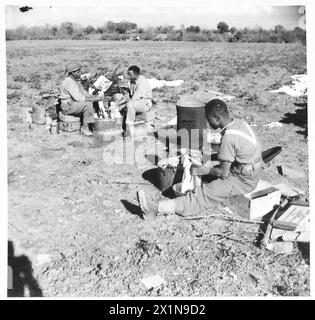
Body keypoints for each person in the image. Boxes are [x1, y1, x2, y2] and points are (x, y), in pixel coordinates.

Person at [137, 99, 263, 219]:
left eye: (209, 120)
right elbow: (233, 150)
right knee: (209, 172)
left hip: (244, 180)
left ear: (217, 118)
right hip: (251, 169)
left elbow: (223, 173)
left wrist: (202, 170)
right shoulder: (239, 124)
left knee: (205, 193)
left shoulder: (229, 139)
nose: (209, 124)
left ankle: (156, 208)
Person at [59, 62, 104, 136]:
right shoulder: (68, 82)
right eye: (78, 72)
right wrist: (94, 99)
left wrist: (94, 97)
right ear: (72, 73)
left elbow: (84, 93)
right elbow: (79, 98)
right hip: (67, 106)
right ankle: (85, 128)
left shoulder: (75, 81)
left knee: (91, 102)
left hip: (73, 104)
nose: (79, 73)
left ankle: (92, 124)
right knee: (87, 104)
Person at [115, 65, 152, 135]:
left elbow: (135, 98)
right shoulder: (133, 81)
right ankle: (120, 127)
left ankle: (129, 128)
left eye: (130, 75)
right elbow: (128, 95)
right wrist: (117, 104)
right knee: (118, 98)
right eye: (128, 75)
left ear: (136, 74)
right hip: (136, 101)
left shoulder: (142, 82)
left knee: (130, 105)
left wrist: (123, 105)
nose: (129, 77)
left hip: (144, 103)